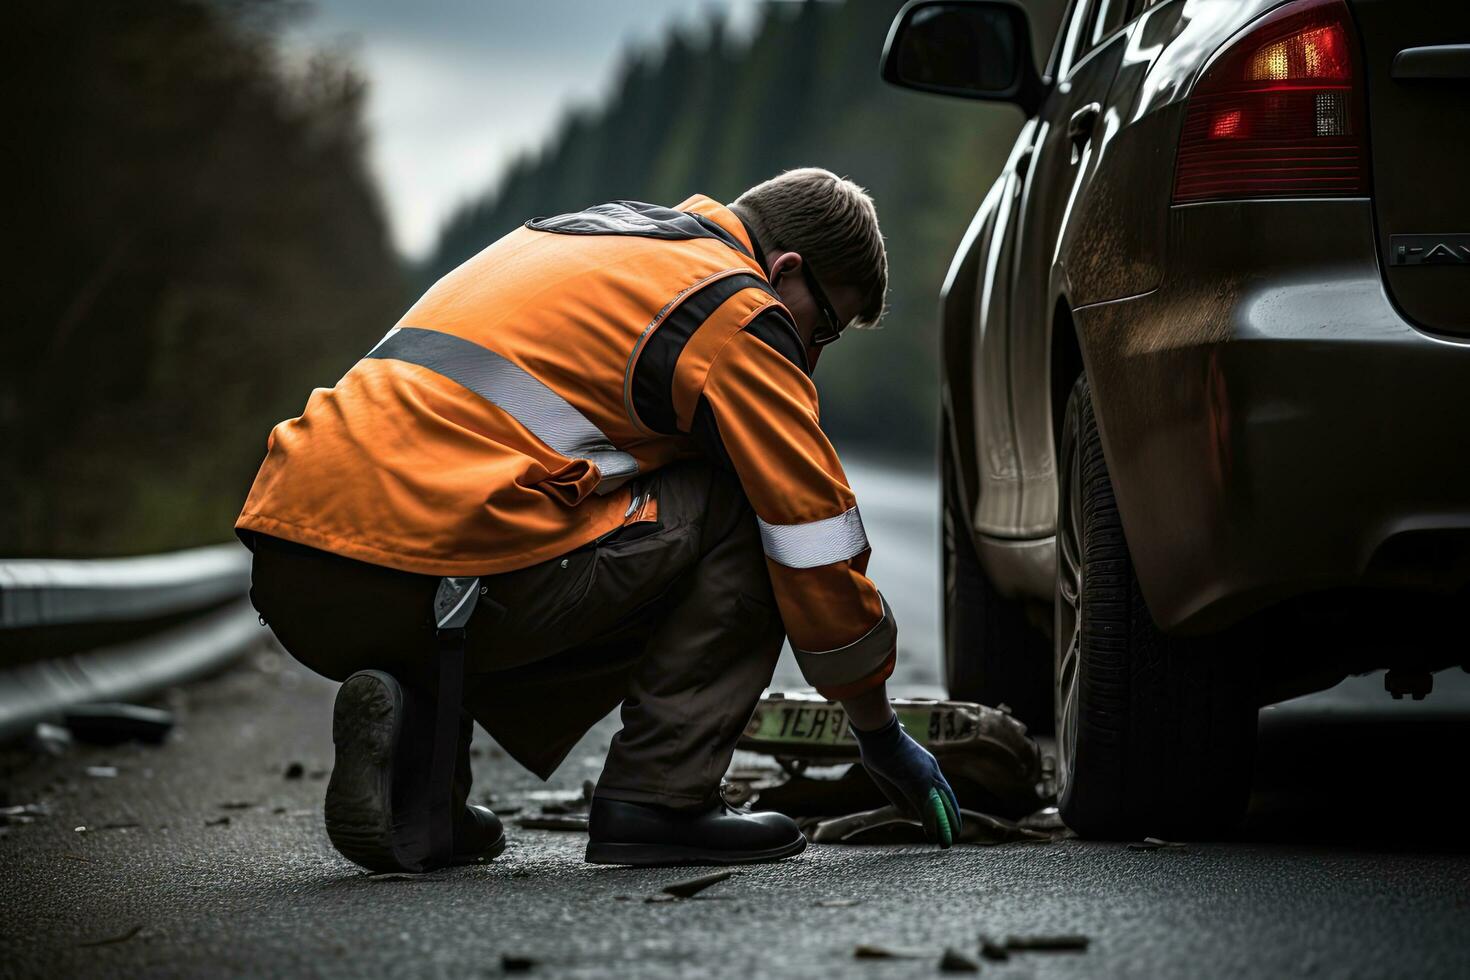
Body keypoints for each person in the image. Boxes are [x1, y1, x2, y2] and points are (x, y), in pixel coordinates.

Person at [238, 167, 961, 872]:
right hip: (429, 573)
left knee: (519, 508)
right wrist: (877, 730)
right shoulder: (735, 306)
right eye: (824, 327)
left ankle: (420, 793)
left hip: (296, 563)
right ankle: (662, 798)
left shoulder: (585, 239)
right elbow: (812, 536)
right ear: (787, 267)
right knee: (746, 493)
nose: (812, 357)